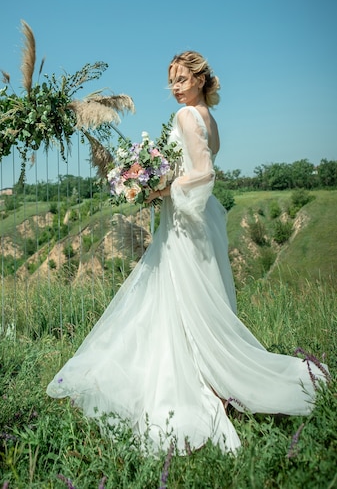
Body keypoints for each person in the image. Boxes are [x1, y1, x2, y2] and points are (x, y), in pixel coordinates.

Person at [47, 51, 328, 454]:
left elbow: (204, 173)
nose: (175, 88)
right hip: (204, 217)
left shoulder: (185, 118)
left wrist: (160, 188)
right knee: (200, 295)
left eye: (181, 79)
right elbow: (203, 163)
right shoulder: (210, 122)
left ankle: (203, 382)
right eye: (171, 81)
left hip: (186, 218)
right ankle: (210, 376)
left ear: (200, 79)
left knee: (181, 295)